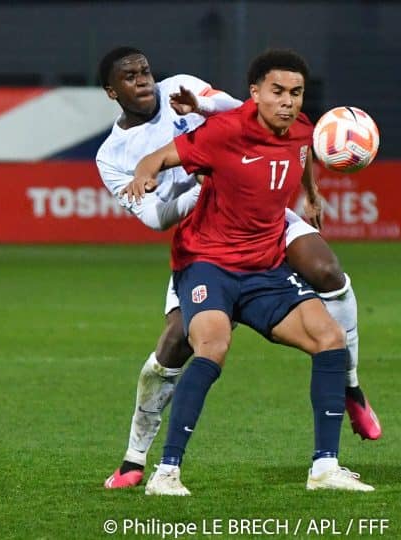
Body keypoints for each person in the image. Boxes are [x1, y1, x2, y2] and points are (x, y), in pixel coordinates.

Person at [95, 47, 381, 490]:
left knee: (327, 289)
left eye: (146, 71)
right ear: (112, 91)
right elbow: (154, 214)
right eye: (130, 77)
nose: (144, 81)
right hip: (206, 243)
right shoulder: (118, 152)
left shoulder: (194, 93)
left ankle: (338, 428)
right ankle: (144, 463)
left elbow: (293, 140)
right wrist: (202, 177)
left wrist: (311, 193)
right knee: (182, 348)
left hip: (263, 238)